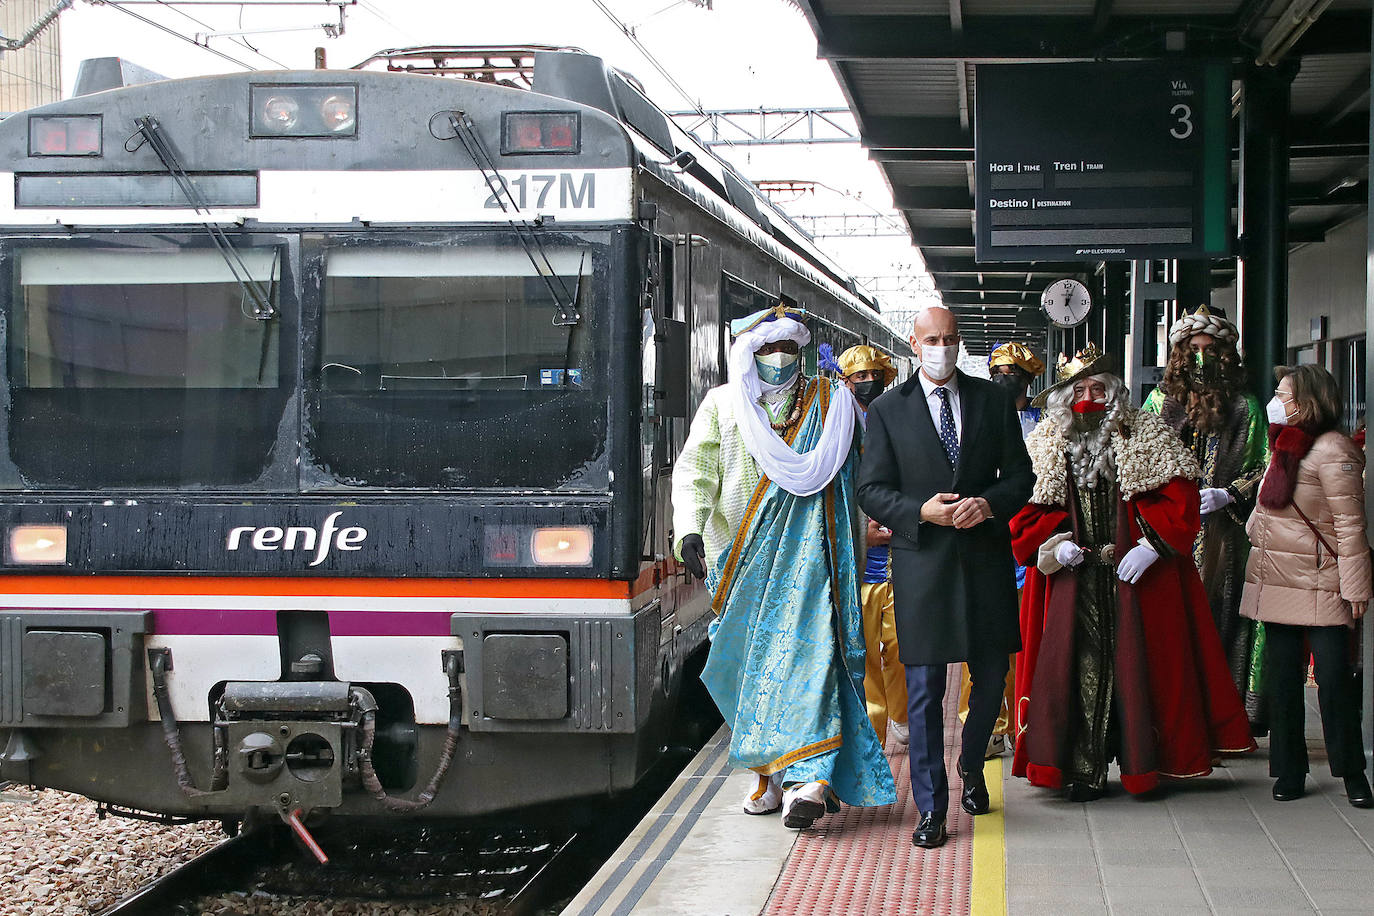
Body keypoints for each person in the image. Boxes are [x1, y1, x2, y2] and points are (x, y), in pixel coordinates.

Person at [672, 305, 896, 830]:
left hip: (818, 563)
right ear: (746, 353)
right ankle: (769, 774)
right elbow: (696, 471)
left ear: (801, 351)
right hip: (740, 563)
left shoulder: (833, 403)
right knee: (748, 671)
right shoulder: (723, 405)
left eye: (788, 349)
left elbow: (862, 476)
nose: (777, 359)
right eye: (766, 349)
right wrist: (689, 528)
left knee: (812, 661)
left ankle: (809, 780)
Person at [1010, 346, 1256, 801]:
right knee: (1078, 667)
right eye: (1078, 390)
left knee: (1138, 666)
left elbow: (1181, 496)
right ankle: (1082, 770)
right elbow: (1022, 511)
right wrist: (1055, 541)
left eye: (1097, 388)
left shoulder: (1148, 433)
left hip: (1136, 581)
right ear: (1064, 398)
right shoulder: (1045, 442)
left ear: (1114, 391)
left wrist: (1152, 546)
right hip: (1073, 581)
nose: (1088, 398)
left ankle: (1143, 763)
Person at [858, 305, 1033, 849]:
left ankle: (973, 767)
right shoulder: (888, 410)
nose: (943, 348)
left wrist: (988, 503)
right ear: (914, 344)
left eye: (951, 339)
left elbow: (1022, 478)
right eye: (933, 339)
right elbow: (871, 489)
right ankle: (932, 807)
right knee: (925, 692)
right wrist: (919, 513)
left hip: (984, 561)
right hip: (923, 564)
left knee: (988, 684)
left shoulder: (993, 400)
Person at [1239, 365, 1373, 807]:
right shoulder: (1284, 445)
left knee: (1333, 682)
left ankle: (1353, 772)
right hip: (1278, 580)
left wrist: (1356, 589)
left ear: (1308, 399)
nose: (1276, 399)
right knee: (1282, 681)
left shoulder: (1334, 451)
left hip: (1323, 583)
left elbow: (1351, 528)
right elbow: (1265, 510)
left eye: (1283, 393)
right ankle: (1289, 771)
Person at [1143, 305, 1268, 731]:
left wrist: (1229, 494)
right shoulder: (1160, 402)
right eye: (1192, 348)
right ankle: (1173, 715)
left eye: (1209, 348)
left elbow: (1263, 466)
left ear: (1225, 353)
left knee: (1224, 620)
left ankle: (1222, 717)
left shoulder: (1247, 407)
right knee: (1170, 621)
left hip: (1225, 535)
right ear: (1179, 352)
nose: (1200, 357)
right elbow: (1139, 463)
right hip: (1169, 533)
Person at [957, 341, 1046, 759]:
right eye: (998, 372)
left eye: (1013, 373)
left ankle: (1019, 720)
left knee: (1022, 635)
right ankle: (985, 723)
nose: (1003, 380)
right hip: (988, 535)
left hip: (1028, 537)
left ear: (1028, 380)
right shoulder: (973, 417)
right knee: (978, 636)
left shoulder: (1046, 423)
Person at [833, 343, 908, 747]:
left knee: (901, 643)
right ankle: (872, 728)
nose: (867, 384)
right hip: (858, 557)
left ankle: (901, 713)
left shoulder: (899, 417)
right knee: (861, 648)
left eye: (873, 376)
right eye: (858, 377)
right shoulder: (833, 426)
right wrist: (861, 531)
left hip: (898, 549)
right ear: (844, 382)